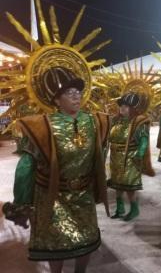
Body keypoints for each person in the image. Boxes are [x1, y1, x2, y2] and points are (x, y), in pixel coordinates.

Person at [2, 66, 110, 273]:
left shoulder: (94, 122)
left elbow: (100, 155)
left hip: (82, 195)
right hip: (53, 197)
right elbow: (26, 167)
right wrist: (22, 204)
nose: (76, 96)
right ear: (56, 99)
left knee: (86, 239)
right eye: (69, 93)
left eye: (78, 92)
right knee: (56, 244)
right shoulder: (41, 127)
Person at [108, 93, 150, 221]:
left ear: (133, 108)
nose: (122, 108)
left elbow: (144, 140)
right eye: (121, 105)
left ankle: (134, 209)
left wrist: (140, 154)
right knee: (117, 184)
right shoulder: (116, 121)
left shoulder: (138, 122)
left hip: (130, 157)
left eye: (126, 106)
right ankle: (120, 208)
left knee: (129, 185)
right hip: (115, 158)